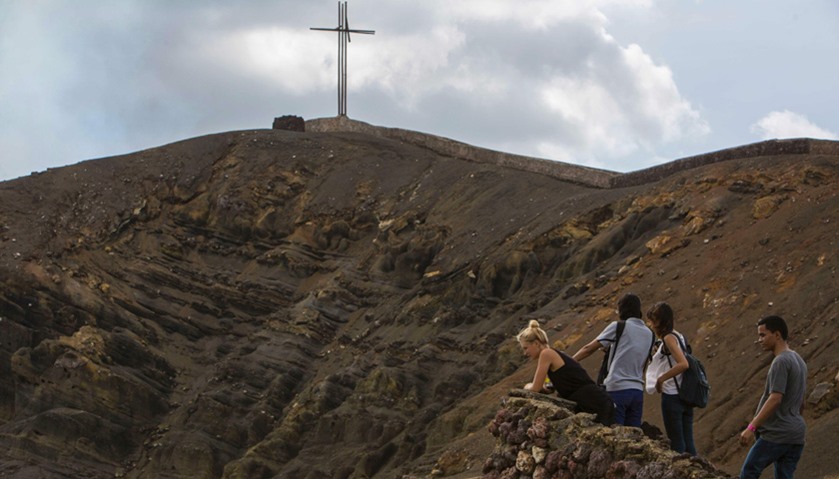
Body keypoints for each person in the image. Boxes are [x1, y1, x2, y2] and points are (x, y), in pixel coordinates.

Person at [739, 315, 807, 479]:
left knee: (749, 472)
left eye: (763, 335)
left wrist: (751, 428)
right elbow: (800, 401)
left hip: (778, 434)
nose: (759, 340)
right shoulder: (799, 360)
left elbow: (776, 398)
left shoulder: (780, 362)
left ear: (777, 335)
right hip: (796, 434)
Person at [572, 293, 654, 427]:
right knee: (634, 436)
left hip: (617, 389)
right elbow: (642, 361)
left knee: (615, 433)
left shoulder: (618, 327)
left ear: (622, 310)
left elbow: (589, 348)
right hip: (637, 391)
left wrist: (570, 361)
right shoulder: (650, 334)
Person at [517, 320, 615, 425]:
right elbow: (547, 388)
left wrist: (527, 386)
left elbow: (535, 388)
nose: (525, 353)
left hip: (592, 401)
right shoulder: (554, 354)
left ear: (536, 343)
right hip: (593, 400)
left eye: (525, 348)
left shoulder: (546, 354)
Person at [645, 302, 696, 455]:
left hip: (672, 396)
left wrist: (661, 379)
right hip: (686, 396)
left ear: (663, 321)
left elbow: (683, 364)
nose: (651, 324)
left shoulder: (668, 338)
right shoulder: (679, 336)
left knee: (677, 443)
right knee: (688, 441)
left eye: (654, 320)